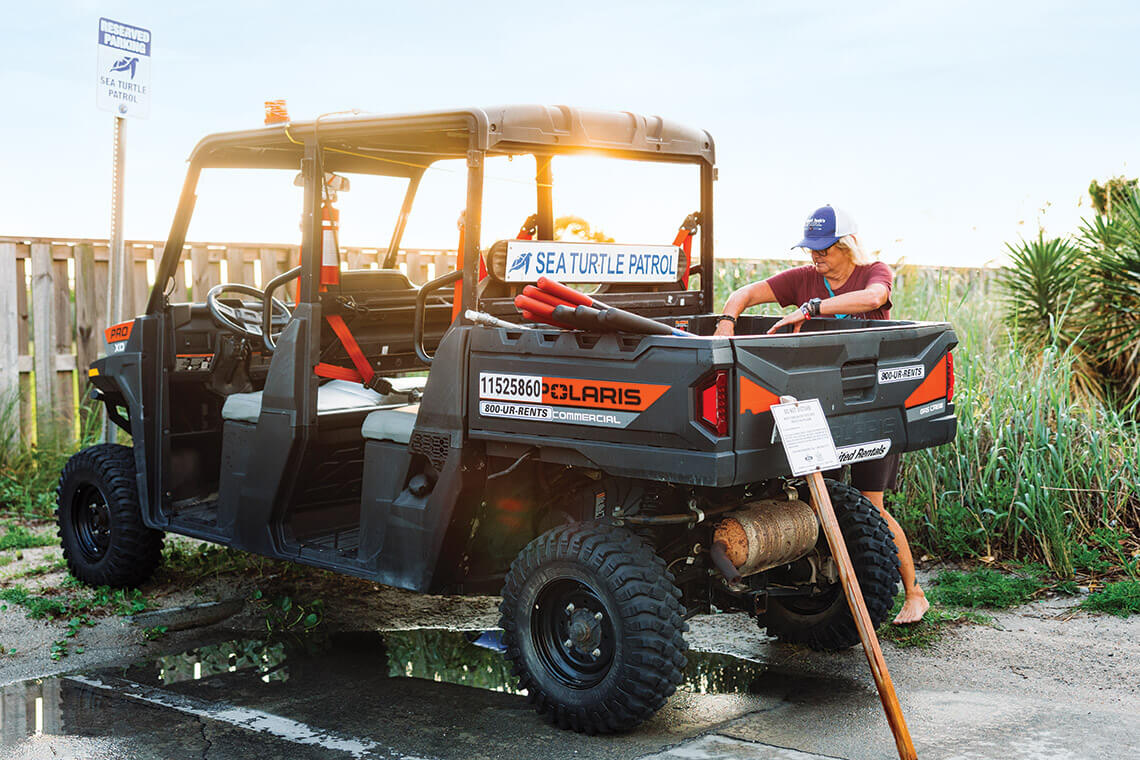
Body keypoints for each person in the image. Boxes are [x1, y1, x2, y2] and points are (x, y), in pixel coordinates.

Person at [714, 205, 929, 624]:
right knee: (821, 502)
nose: (816, 258)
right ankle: (822, 599)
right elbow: (744, 294)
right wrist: (727, 322)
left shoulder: (872, 272)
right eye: (811, 249)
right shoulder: (804, 278)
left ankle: (914, 593)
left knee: (872, 507)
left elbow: (875, 298)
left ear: (846, 246)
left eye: (824, 250)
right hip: (820, 413)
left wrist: (810, 309)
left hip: (869, 410)